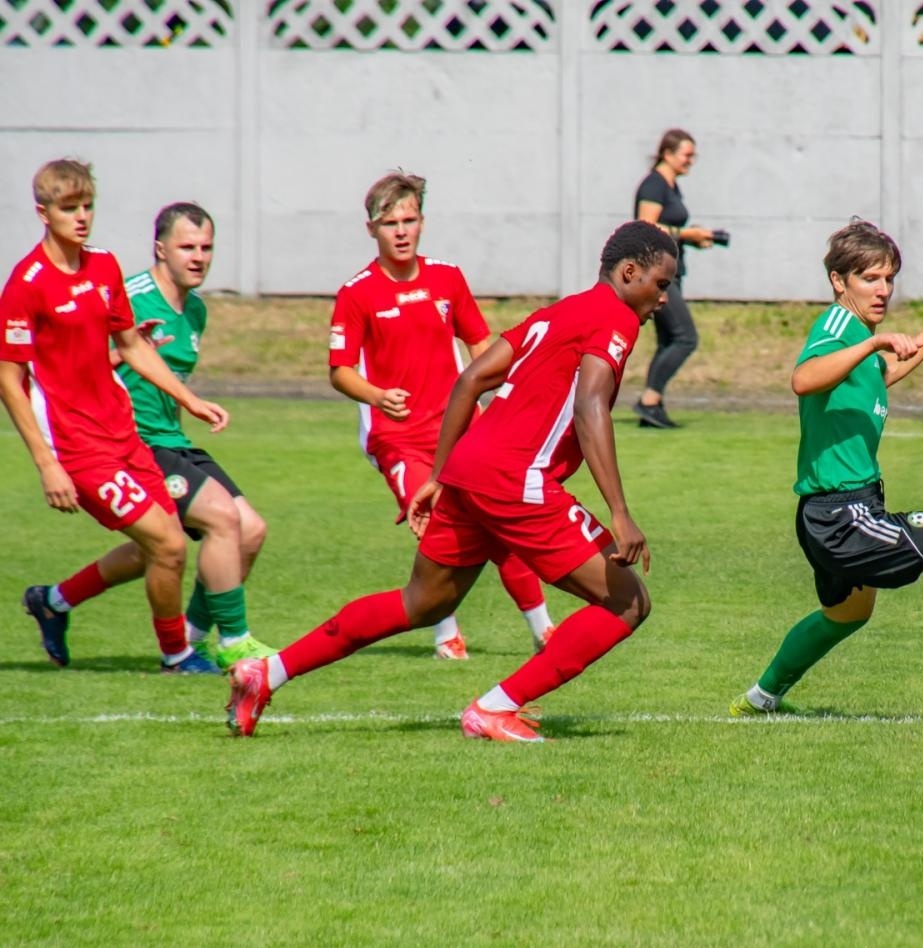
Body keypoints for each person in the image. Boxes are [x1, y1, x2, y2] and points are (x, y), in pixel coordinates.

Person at [224, 221, 680, 742]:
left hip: (472, 471)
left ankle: (268, 672)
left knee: (423, 603)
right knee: (627, 601)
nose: (664, 298)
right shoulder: (614, 318)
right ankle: (493, 708)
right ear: (628, 272)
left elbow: (470, 379)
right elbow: (590, 405)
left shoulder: (555, 314)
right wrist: (620, 511)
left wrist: (441, 475)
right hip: (517, 480)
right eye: (661, 283)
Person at [730, 219, 923, 717]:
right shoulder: (837, 327)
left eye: (889, 278)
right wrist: (872, 343)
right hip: (841, 514)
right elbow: (803, 380)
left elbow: (883, 374)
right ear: (838, 281)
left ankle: (760, 698)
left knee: (846, 614)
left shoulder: (857, 336)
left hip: (844, 508)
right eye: (870, 278)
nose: (883, 290)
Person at [2, 159, 229, 672]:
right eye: (68, 208)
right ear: (43, 212)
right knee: (169, 543)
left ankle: (53, 602)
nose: (81, 217)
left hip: (124, 434)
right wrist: (47, 464)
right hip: (78, 448)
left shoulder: (103, 266)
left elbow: (129, 344)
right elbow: (9, 381)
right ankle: (177, 655)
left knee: (161, 546)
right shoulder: (27, 284)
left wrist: (189, 399)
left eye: (87, 206)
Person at [328, 170, 553, 660]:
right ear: (371, 230)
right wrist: (375, 394)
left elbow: (479, 344)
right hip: (399, 439)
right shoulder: (357, 293)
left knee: (498, 525)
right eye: (390, 223)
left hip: (459, 434)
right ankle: (444, 632)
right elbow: (339, 371)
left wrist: (498, 404)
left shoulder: (447, 278)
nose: (401, 230)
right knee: (432, 525)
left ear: (422, 222)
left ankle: (543, 630)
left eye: (409, 219)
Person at [109, 202, 275, 668]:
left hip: (173, 439)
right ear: (160, 248)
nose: (198, 257)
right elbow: (76, 374)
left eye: (206, 248)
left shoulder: (195, 309)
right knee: (220, 520)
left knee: (252, 530)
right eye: (187, 247)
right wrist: (125, 353)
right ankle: (234, 642)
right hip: (135, 443)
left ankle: (193, 635)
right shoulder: (129, 298)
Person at [631, 128, 720, 429]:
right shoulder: (654, 186)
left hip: (670, 272)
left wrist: (693, 240)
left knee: (669, 339)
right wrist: (686, 234)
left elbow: (666, 228)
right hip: (654, 274)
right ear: (668, 154)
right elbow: (645, 226)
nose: (691, 161)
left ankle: (652, 407)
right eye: (687, 154)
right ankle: (648, 401)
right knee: (685, 337)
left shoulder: (670, 186)